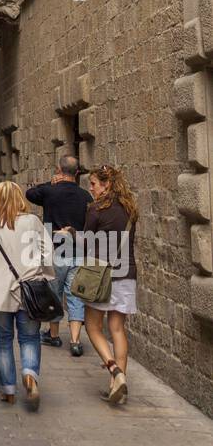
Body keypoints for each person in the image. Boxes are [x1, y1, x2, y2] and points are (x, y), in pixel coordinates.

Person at [0, 181, 54, 410]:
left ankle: (8, 390)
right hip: (30, 291)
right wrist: (42, 274)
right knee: (29, 337)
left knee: (3, 341)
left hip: (0, 294)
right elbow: (48, 251)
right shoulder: (33, 222)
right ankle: (30, 375)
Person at [82, 165, 139, 406]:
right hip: (127, 274)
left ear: (106, 185)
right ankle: (119, 386)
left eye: (94, 184)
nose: (91, 188)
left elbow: (87, 244)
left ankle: (115, 371)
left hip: (102, 277)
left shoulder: (95, 209)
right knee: (117, 329)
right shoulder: (130, 208)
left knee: (93, 327)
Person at [26, 155, 93, 356]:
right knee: (75, 297)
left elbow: (30, 193)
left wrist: (50, 181)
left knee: (54, 295)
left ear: (58, 170)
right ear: (77, 173)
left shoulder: (49, 191)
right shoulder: (85, 196)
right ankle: (74, 341)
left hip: (55, 251)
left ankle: (54, 336)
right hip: (78, 252)